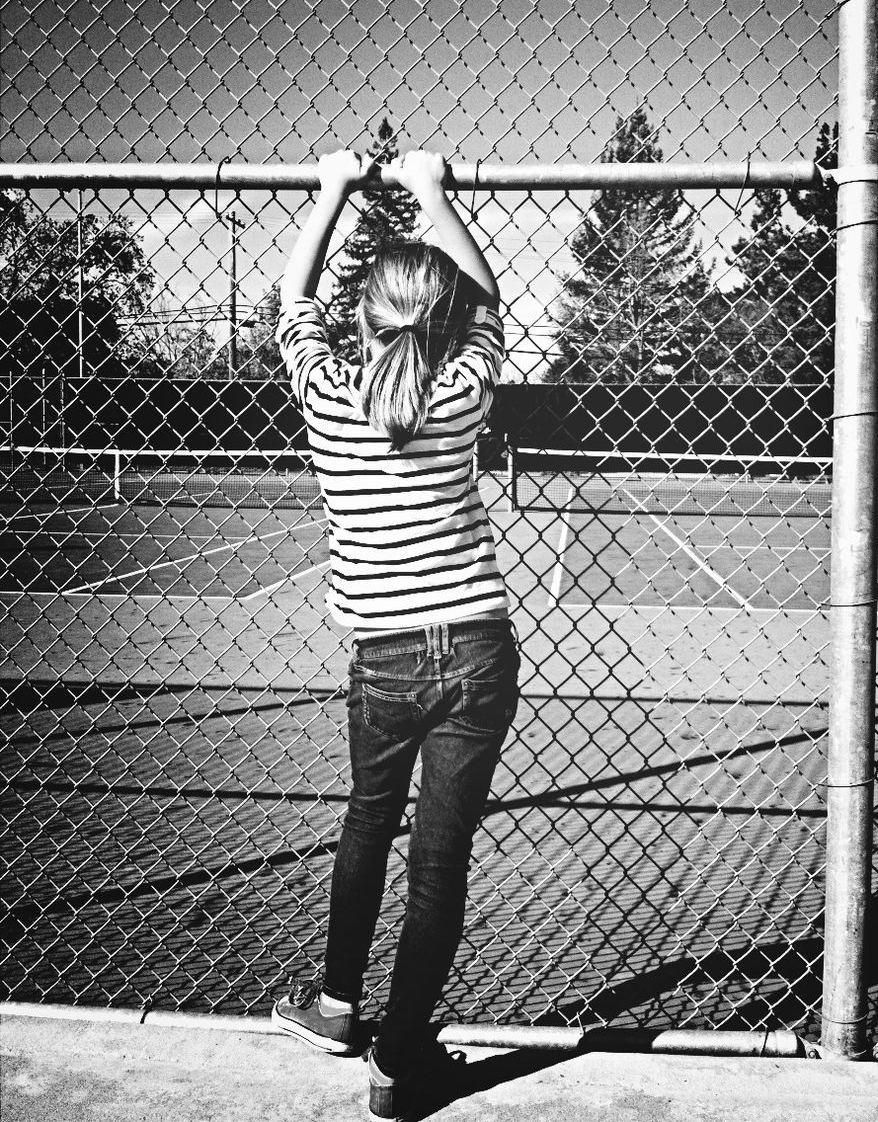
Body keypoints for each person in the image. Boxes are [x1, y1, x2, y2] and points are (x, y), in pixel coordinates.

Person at [270, 149, 519, 1121]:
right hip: (475, 647)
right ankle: (400, 1056)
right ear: (444, 319)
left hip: (382, 657)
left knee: (369, 821)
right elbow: (490, 295)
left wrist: (334, 188)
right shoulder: (459, 392)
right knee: (440, 858)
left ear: (364, 319)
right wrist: (433, 192)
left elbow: (291, 298)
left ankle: (336, 1005)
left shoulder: (327, 395)